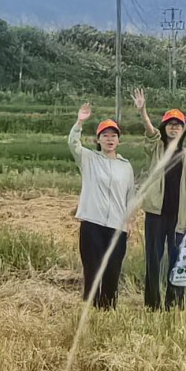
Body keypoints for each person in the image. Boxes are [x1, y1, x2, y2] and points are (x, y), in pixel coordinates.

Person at [132, 88, 186, 311]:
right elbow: (150, 133)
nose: (174, 127)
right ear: (164, 127)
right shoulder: (157, 147)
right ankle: (153, 304)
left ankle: (174, 303)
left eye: (178, 124)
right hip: (156, 213)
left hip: (178, 215)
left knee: (177, 259)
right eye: (170, 124)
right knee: (154, 258)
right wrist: (143, 112)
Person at [68, 103, 135, 310]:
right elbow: (73, 144)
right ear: (98, 140)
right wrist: (80, 122)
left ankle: (108, 310)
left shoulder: (126, 166)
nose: (109, 139)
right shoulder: (89, 159)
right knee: (92, 269)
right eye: (105, 135)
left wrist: (130, 220)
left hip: (117, 226)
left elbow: (130, 195)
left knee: (112, 271)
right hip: (92, 223)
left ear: (119, 140)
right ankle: (90, 310)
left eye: (113, 136)